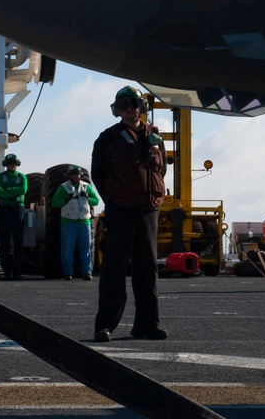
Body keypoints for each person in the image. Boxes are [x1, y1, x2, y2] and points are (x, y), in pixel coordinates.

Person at [91, 86, 168, 342]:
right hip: (120, 210)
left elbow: (161, 171)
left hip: (148, 211)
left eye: (133, 104)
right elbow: (98, 175)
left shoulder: (155, 137)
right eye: (123, 105)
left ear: (141, 107)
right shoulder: (108, 138)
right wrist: (113, 200)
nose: (129, 109)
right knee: (115, 269)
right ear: (117, 110)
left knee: (148, 270)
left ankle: (147, 325)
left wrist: (152, 199)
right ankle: (105, 326)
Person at [50, 164, 100, 281]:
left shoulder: (86, 187)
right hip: (68, 222)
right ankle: (68, 272)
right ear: (69, 175)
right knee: (68, 248)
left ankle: (87, 272)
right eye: (73, 174)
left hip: (84, 221)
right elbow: (54, 203)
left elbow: (96, 201)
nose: (76, 176)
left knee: (86, 248)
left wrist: (88, 197)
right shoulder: (63, 188)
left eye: (77, 174)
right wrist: (66, 199)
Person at [0, 153, 27, 280]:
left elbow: (23, 190)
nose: (12, 165)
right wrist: (14, 193)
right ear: (6, 164)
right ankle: (7, 272)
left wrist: (7, 193)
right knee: (4, 242)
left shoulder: (22, 177)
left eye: (13, 163)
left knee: (18, 242)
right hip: (4, 210)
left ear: (17, 164)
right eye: (9, 163)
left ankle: (17, 272)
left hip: (18, 210)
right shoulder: (0, 177)